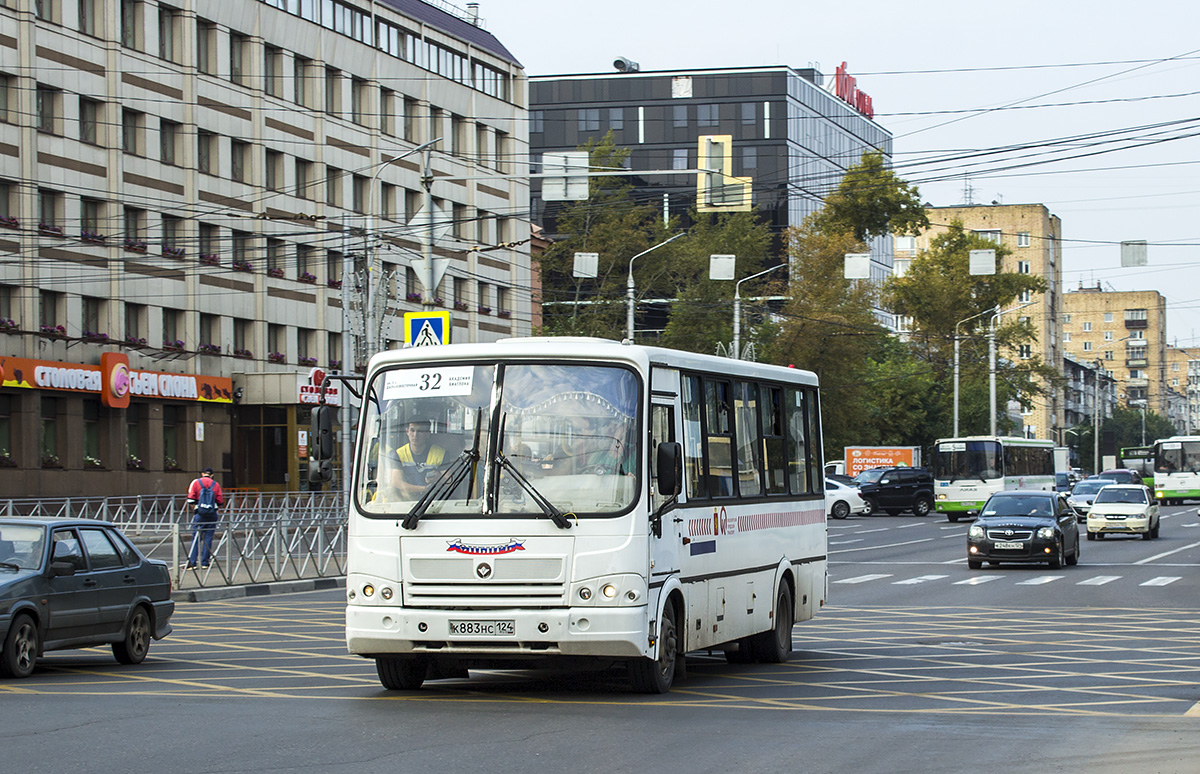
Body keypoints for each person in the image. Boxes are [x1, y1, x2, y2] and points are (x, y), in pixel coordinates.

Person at [389, 419, 448, 499]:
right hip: (405, 502)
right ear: (407, 432)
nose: (415, 435)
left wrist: (439, 478)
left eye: (420, 431)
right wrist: (424, 489)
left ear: (428, 434)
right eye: (412, 430)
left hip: (433, 500)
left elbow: (449, 480)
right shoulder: (399, 454)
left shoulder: (440, 453)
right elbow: (396, 482)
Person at [186, 467, 224, 568]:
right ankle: (205, 563)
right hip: (212, 514)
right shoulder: (216, 484)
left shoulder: (196, 483)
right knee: (208, 538)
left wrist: (195, 509)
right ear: (212, 475)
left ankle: (193, 563)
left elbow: (190, 499)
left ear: (202, 474)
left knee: (196, 538)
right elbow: (220, 501)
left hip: (200, 513)